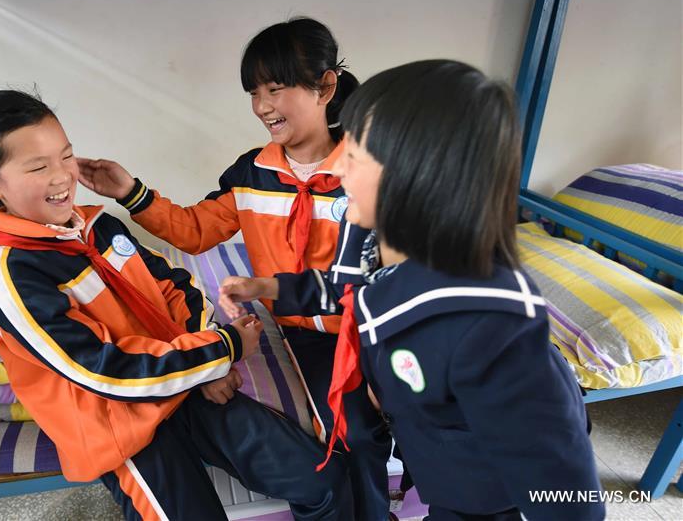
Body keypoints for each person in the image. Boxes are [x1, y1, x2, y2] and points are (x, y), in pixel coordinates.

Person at [219, 60, 605, 521]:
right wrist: (266, 287)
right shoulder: (367, 238)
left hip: (485, 498)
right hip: (439, 464)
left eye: (356, 153)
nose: (337, 162)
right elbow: (343, 289)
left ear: (419, 178)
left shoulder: (490, 331)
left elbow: (570, 496)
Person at [0, 89, 353, 520]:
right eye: (38, 167)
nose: (61, 177)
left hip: (185, 385)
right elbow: (101, 370)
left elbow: (176, 285)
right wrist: (224, 350)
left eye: (66, 157)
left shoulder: (98, 225)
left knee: (323, 479)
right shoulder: (13, 274)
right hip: (120, 426)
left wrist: (207, 365)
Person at [78, 17, 394, 520]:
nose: (263, 106)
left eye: (277, 87)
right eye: (254, 92)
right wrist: (130, 192)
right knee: (350, 430)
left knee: (412, 416)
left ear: (325, 86)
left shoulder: (370, 167)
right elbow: (194, 231)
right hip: (307, 333)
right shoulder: (251, 174)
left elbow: (396, 268)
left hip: (374, 326)